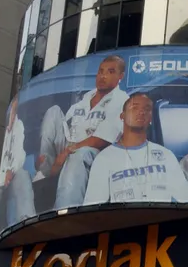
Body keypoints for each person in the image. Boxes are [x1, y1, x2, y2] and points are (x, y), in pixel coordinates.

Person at [37, 55, 130, 208]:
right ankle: (45, 171)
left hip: (94, 154)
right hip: (69, 147)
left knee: (79, 154)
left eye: (110, 72)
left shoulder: (121, 100)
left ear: (121, 76)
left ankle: (65, 208)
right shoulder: (85, 99)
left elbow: (102, 139)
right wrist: (60, 154)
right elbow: (65, 129)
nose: (103, 76)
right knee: (53, 111)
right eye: (100, 71)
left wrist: (68, 151)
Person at [83, 93, 188, 205]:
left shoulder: (166, 155)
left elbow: (186, 200)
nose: (141, 112)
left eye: (147, 109)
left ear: (151, 118)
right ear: (122, 116)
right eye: (134, 107)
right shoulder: (104, 158)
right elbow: (93, 207)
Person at [0, 96, 34, 229]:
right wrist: (4, 173)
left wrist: (11, 170)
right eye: (13, 109)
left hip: (10, 174)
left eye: (16, 110)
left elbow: (20, 153)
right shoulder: (0, 128)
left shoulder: (19, 125)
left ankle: (27, 219)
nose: (14, 113)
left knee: (23, 175)